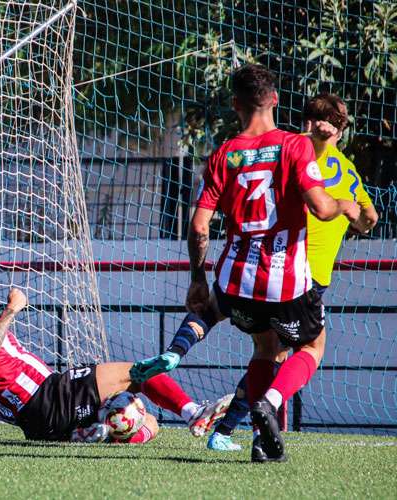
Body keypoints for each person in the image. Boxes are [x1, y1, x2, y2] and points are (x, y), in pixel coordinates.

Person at [130, 65, 361, 462]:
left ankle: (257, 437)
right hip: (285, 279)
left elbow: (199, 227)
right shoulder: (294, 145)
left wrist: (197, 279)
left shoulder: (223, 155)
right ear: (274, 99)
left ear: (235, 104)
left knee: (262, 347)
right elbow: (322, 210)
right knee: (311, 344)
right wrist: (346, 205)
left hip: (236, 279)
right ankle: (270, 402)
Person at [200, 93, 380, 451]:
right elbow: (369, 218)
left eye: (331, 122)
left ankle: (232, 430)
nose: (325, 128)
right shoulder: (308, 152)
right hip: (292, 275)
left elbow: (367, 217)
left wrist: (351, 214)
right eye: (321, 120)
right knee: (290, 351)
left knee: (270, 353)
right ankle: (243, 427)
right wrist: (353, 214)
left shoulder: (303, 152)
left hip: (282, 273)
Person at [0, 268, 234, 443]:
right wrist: (11, 310)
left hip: (35, 427)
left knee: (149, 424)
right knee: (139, 371)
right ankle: (193, 413)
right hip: (48, 395)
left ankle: (95, 432)